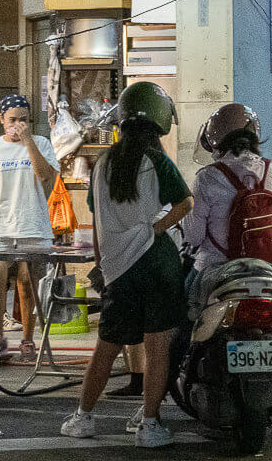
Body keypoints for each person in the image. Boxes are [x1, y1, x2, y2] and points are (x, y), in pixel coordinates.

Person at [60, 82, 192, 448]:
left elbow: (98, 220)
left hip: (119, 268)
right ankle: (149, 424)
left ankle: (83, 417)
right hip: (159, 263)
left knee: (106, 347)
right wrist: (155, 227)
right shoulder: (157, 161)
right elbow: (186, 203)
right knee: (157, 350)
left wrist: (103, 263)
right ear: (160, 124)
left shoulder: (102, 164)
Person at [182, 102, 272, 434]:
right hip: (266, 271)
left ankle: (178, 371)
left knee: (181, 320)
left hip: (215, 271)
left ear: (214, 140)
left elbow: (194, 236)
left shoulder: (207, 178)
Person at [0, 94, 59, 364]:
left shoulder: (41, 143)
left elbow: (46, 177)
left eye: (23, 120)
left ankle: (29, 339)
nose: (17, 125)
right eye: (12, 120)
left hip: (32, 225)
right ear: (1, 120)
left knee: (28, 284)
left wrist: (28, 140)